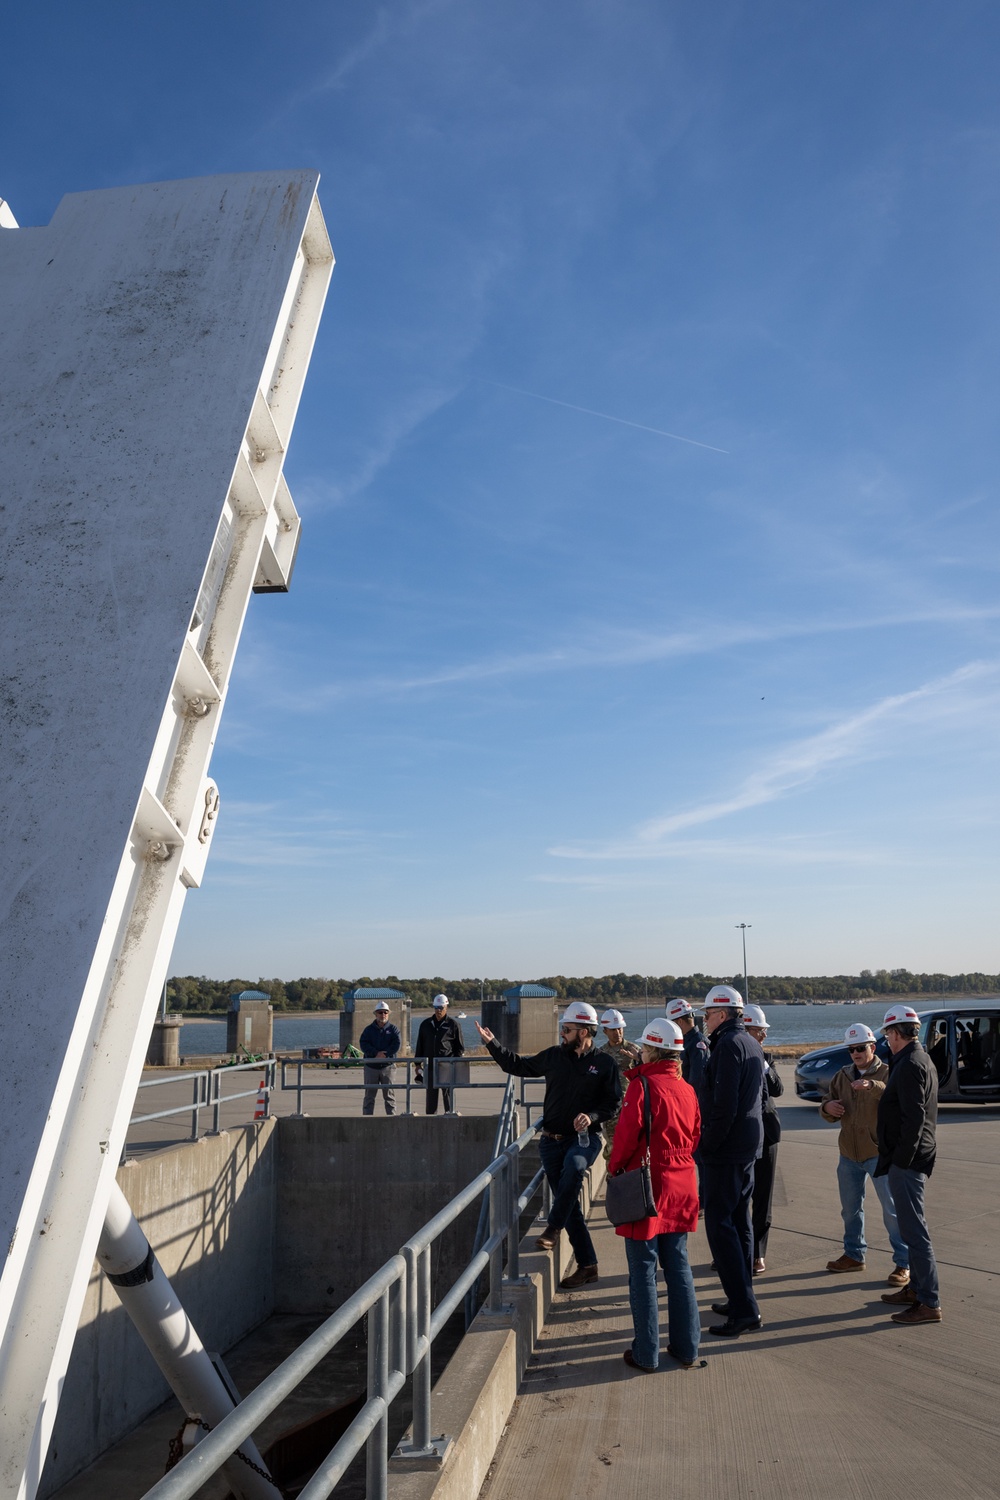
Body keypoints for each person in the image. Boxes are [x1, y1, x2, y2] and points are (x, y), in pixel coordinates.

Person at [475, 1002, 621, 1289]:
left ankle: (553, 1227)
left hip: (584, 1139)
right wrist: (492, 1044)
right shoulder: (555, 1056)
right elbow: (518, 1065)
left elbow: (613, 1103)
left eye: (566, 1030)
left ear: (583, 1032)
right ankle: (588, 1265)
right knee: (571, 1206)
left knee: (575, 1167)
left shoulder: (604, 1064)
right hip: (551, 1142)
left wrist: (591, 1116)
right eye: (562, 1029)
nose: (561, 1034)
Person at [608, 1019, 704, 1372]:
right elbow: (694, 1137)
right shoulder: (688, 1089)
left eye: (644, 1048)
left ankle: (646, 1353)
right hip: (682, 1183)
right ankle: (687, 1347)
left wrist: (615, 1170)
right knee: (679, 1268)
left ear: (652, 1050)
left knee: (643, 1271)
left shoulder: (642, 1087)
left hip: (648, 1186)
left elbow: (625, 1139)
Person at [697, 984, 765, 1337]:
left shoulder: (726, 1045)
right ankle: (741, 1298)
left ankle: (744, 1310)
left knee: (721, 1229)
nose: (704, 1021)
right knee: (740, 1225)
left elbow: (724, 1107)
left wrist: (707, 1146)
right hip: (747, 1148)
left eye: (706, 1014)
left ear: (721, 1014)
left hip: (727, 1151)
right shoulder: (750, 1041)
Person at [818, 1022, 909, 1284]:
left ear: (872, 1047)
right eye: (851, 1049)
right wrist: (828, 1108)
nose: (856, 1053)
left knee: (891, 1212)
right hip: (848, 1154)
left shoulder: (887, 1073)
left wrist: (873, 1087)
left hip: (878, 1154)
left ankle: (903, 1263)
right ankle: (854, 1255)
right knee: (850, 1210)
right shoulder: (842, 1076)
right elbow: (827, 1104)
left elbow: (898, 1099)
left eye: (860, 1048)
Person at [875, 1005, 942, 1325]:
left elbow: (914, 1118)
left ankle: (929, 1302)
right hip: (910, 1157)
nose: (886, 1038)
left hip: (909, 1160)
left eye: (888, 1033)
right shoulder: (915, 1058)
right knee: (910, 1228)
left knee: (915, 1232)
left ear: (898, 1033)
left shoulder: (912, 1063)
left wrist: (901, 1160)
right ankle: (916, 1289)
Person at [744, 1004, 782, 1274]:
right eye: (760, 1031)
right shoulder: (730, 1056)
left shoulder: (767, 1056)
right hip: (741, 1136)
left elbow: (777, 1089)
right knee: (737, 1198)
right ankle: (738, 1249)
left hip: (766, 1135)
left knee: (763, 1196)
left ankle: (758, 1253)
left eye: (765, 1031)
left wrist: (766, 1063)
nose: (764, 1036)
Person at [598, 1008, 641, 1161]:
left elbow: (646, 1074)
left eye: (620, 1029)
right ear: (605, 1031)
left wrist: (638, 1061)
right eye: (613, 1029)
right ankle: (613, 1179)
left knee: (632, 1146)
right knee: (613, 1148)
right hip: (611, 1109)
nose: (618, 1032)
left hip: (631, 1107)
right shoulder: (600, 1054)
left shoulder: (635, 1050)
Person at [415, 994, 465, 1114]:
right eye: (436, 1007)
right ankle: (430, 1120)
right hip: (430, 1067)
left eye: (441, 1008)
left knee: (448, 1095)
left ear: (446, 1007)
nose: (438, 1010)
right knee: (431, 1097)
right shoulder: (425, 1025)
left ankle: (451, 1115)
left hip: (446, 1067)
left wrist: (454, 1064)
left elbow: (460, 1048)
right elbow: (419, 1046)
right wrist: (417, 1065)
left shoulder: (454, 1025)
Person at [359, 1001, 401, 1115]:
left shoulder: (394, 1030)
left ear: (388, 1014)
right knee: (369, 1096)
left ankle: (391, 1118)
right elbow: (363, 1043)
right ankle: (367, 1119)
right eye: (380, 1012)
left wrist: (385, 1054)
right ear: (375, 1014)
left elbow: (396, 1044)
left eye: (385, 1012)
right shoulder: (368, 1030)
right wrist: (375, 1053)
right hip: (371, 1067)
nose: (383, 1015)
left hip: (388, 1067)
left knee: (389, 1096)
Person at [665, 998, 709, 1093]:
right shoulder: (686, 1041)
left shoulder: (698, 1044)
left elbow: (698, 1080)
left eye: (672, 1023)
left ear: (680, 1021)